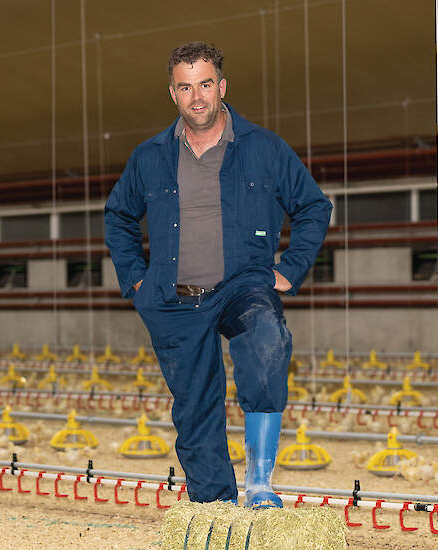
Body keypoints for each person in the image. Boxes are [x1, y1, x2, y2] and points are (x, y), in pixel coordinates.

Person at [104, 41, 332, 507]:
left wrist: (289, 269)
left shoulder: (263, 148)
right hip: (173, 297)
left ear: (222, 86)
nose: (197, 96)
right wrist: (137, 281)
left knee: (267, 340)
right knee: (195, 411)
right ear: (173, 94)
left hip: (241, 284)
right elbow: (118, 216)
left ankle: (260, 484)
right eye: (186, 87)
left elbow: (313, 206)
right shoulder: (150, 157)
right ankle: (216, 508)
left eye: (205, 84)